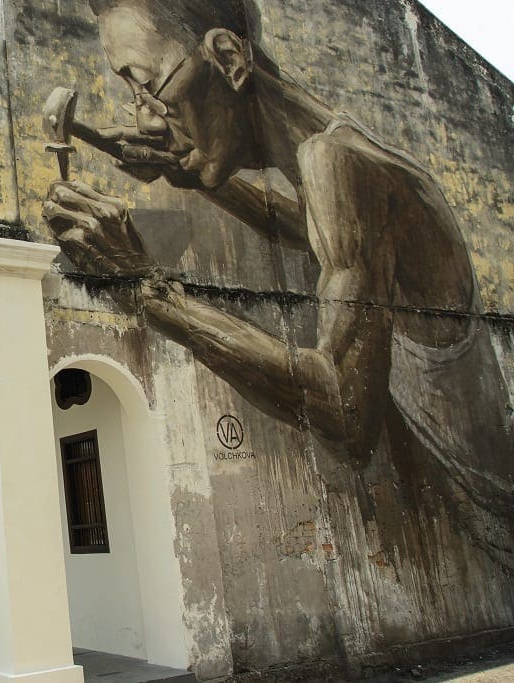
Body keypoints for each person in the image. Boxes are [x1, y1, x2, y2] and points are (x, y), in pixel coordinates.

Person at [42, 0, 512, 566]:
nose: (145, 118)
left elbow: (342, 413)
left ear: (228, 58)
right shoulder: (334, 150)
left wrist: (143, 290)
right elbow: (302, 226)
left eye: (147, 88)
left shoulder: (338, 164)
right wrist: (191, 173)